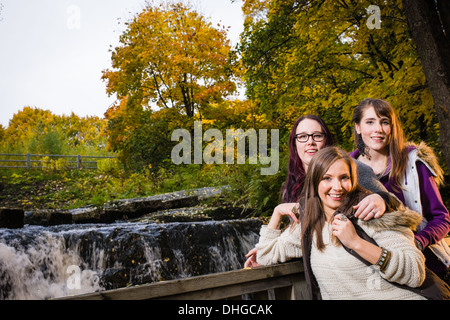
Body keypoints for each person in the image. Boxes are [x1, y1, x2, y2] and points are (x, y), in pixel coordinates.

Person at [255, 146, 427, 300]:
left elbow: (415, 271)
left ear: (353, 180)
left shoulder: (370, 212)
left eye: (344, 177)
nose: (337, 187)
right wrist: (277, 212)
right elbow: (265, 255)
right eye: (327, 178)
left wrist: (356, 243)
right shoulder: (310, 223)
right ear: (314, 182)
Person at [244, 115, 397, 267]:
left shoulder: (352, 169)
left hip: (367, 266)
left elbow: (394, 205)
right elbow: (302, 236)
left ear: (326, 141)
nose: (310, 141)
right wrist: (268, 249)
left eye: (317, 136)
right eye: (302, 137)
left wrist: (381, 199)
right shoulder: (294, 185)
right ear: (294, 144)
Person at [349, 98, 450, 282]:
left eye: (384, 122)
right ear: (358, 127)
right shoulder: (346, 169)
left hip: (427, 268)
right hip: (374, 273)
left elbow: (441, 218)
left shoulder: (413, 163)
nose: (378, 129)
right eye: (370, 122)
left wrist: (418, 242)